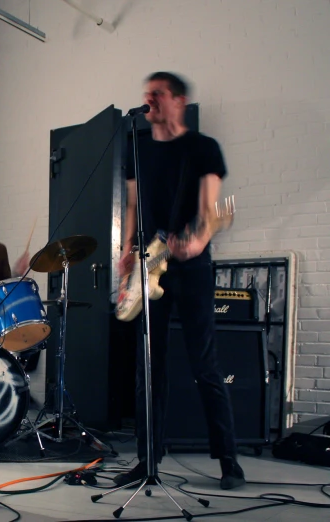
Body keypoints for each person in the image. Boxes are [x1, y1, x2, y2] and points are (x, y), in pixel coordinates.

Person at [114, 72, 245, 490]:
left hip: (191, 267)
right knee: (148, 370)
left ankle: (229, 462)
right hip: (147, 264)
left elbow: (210, 210)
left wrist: (197, 241)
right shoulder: (136, 146)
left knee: (204, 365)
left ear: (178, 101)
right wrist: (126, 248)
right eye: (146, 94)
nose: (148, 100)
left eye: (157, 94)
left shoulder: (203, 148)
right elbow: (133, 202)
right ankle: (147, 458)